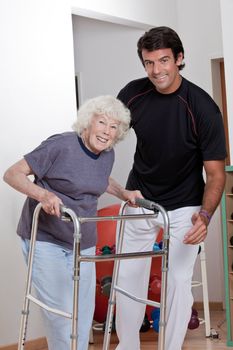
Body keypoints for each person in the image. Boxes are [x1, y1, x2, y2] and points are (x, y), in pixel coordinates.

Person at [111, 26, 227, 350]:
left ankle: (171, 347)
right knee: (127, 276)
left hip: (186, 205)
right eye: (149, 63)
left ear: (179, 58)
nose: (156, 70)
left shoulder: (202, 107)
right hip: (141, 198)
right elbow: (105, 137)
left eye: (164, 60)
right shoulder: (133, 94)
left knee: (177, 280)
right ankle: (128, 346)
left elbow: (217, 175)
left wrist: (204, 216)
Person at [3, 95, 140, 350]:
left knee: (82, 312)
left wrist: (125, 194)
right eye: (102, 122)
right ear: (88, 122)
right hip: (46, 240)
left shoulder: (107, 154)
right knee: (61, 313)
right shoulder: (61, 145)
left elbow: (101, 178)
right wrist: (43, 195)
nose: (106, 132)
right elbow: (12, 174)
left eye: (114, 127)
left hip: (83, 241)